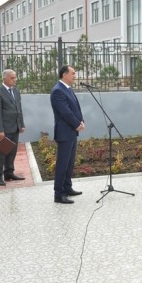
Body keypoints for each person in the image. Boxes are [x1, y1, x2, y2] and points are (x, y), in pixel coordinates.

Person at [50, 65, 85, 204]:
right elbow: (65, 112)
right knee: (62, 164)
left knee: (69, 163)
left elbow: (75, 108)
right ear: (64, 74)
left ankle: (67, 188)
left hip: (72, 131)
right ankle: (59, 194)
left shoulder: (67, 89)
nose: (75, 76)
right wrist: (77, 124)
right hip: (65, 131)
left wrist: (81, 121)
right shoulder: (58, 90)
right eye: (73, 73)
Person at [0, 69, 26, 186]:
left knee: (12, 151)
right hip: (3, 129)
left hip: (15, 127)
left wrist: (21, 124)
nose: (15, 79)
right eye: (12, 78)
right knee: (2, 152)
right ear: (4, 79)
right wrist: (0, 130)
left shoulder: (16, 91)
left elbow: (19, 109)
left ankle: (9, 172)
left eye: (15, 77)